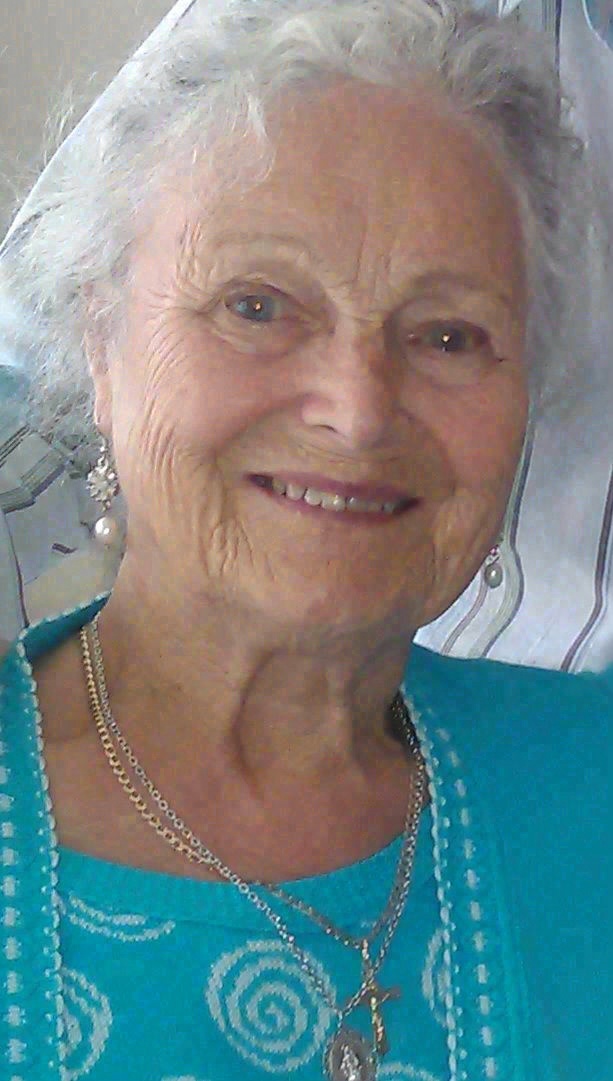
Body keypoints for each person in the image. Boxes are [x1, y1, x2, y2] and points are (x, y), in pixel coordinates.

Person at [0, 2, 609, 1079]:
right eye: (257, 305)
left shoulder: (587, 787)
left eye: (447, 334)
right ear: (99, 339)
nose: (358, 411)